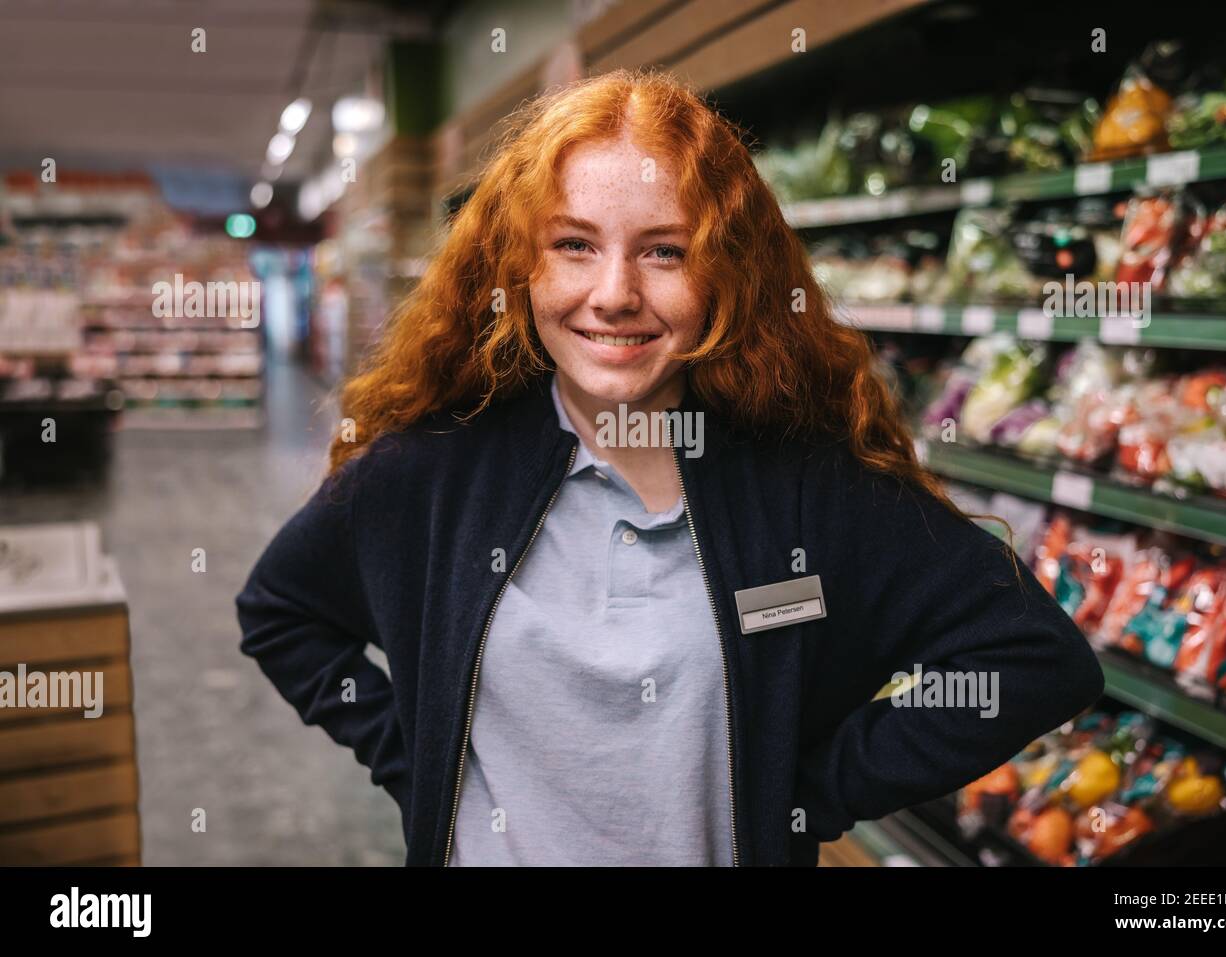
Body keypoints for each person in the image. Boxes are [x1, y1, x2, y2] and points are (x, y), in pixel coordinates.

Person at [235, 68, 1105, 867]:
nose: (614, 292)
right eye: (574, 244)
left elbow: (1032, 656)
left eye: (665, 251)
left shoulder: (804, 483)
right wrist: (422, 762)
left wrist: (805, 797)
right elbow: (282, 609)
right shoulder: (436, 467)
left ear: (725, 273)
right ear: (518, 264)